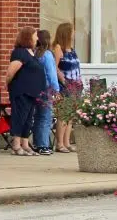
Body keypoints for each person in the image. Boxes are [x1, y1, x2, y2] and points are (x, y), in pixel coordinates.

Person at [5, 26, 44, 156]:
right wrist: (9, 85)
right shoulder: (20, 52)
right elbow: (11, 72)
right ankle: (16, 145)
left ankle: (25, 144)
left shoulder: (32, 53)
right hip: (21, 91)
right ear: (28, 37)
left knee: (28, 119)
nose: (37, 38)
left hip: (33, 92)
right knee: (20, 116)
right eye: (35, 35)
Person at [52, 22, 81, 153]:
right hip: (65, 85)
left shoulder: (72, 49)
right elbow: (55, 66)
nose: (74, 34)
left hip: (76, 85)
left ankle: (67, 142)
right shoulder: (58, 48)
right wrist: (62, 78)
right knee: (63, 115)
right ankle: (60, 143)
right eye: (72, 31)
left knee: (71, 116)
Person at [33, 29, 58, 155]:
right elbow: (51, 74)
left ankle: (37, 143)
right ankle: (43, 145)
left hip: (35, 88)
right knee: (45, 117)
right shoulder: (47, 55)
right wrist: (56, 89)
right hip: (46, 89)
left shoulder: (35, 53)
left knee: (37, 117)